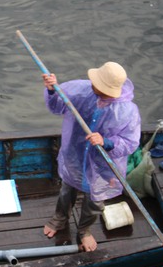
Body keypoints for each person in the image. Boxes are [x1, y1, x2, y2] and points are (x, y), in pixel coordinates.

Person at [41, 61, 141, 252]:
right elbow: (57, 106)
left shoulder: (128, 111)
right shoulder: (81, 90)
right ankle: (59, 219)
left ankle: (84, 230)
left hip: (103, 166)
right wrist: (53, 90)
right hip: (75, 157)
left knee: (95, 201)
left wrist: (107, 142)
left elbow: (130, 142)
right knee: (67, 190)